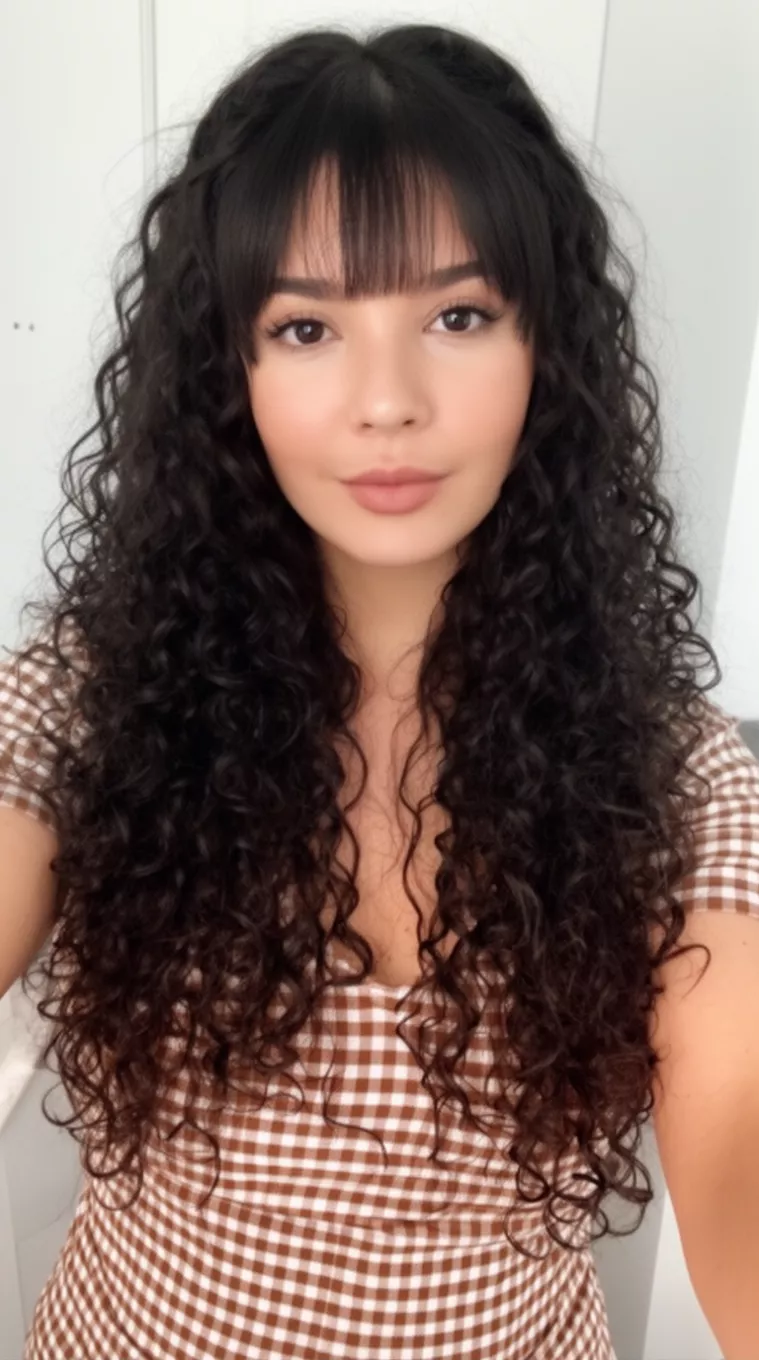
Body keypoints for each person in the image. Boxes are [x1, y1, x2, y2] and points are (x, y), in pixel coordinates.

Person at [1, 22, 758, 1360]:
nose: (386, 401)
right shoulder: (86, 699)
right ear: (225, 376)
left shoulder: (675, 772)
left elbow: (741, 1153)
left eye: (457, 316)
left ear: (548, 353)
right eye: (304, 327)